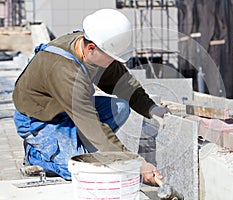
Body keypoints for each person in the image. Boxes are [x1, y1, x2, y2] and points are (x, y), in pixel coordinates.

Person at [13, 9, 169, 185]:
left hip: (68, 107)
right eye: (112, 58)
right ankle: (36, 155)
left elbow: (124, 83)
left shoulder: (96, 45)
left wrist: (151, 109)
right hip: (39, 118)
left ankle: (83, 146)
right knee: (76, 169)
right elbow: (91, 124)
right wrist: (136, 163)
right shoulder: (65, 70)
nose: (113, 63)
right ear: (91, 48)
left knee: (120, 108)